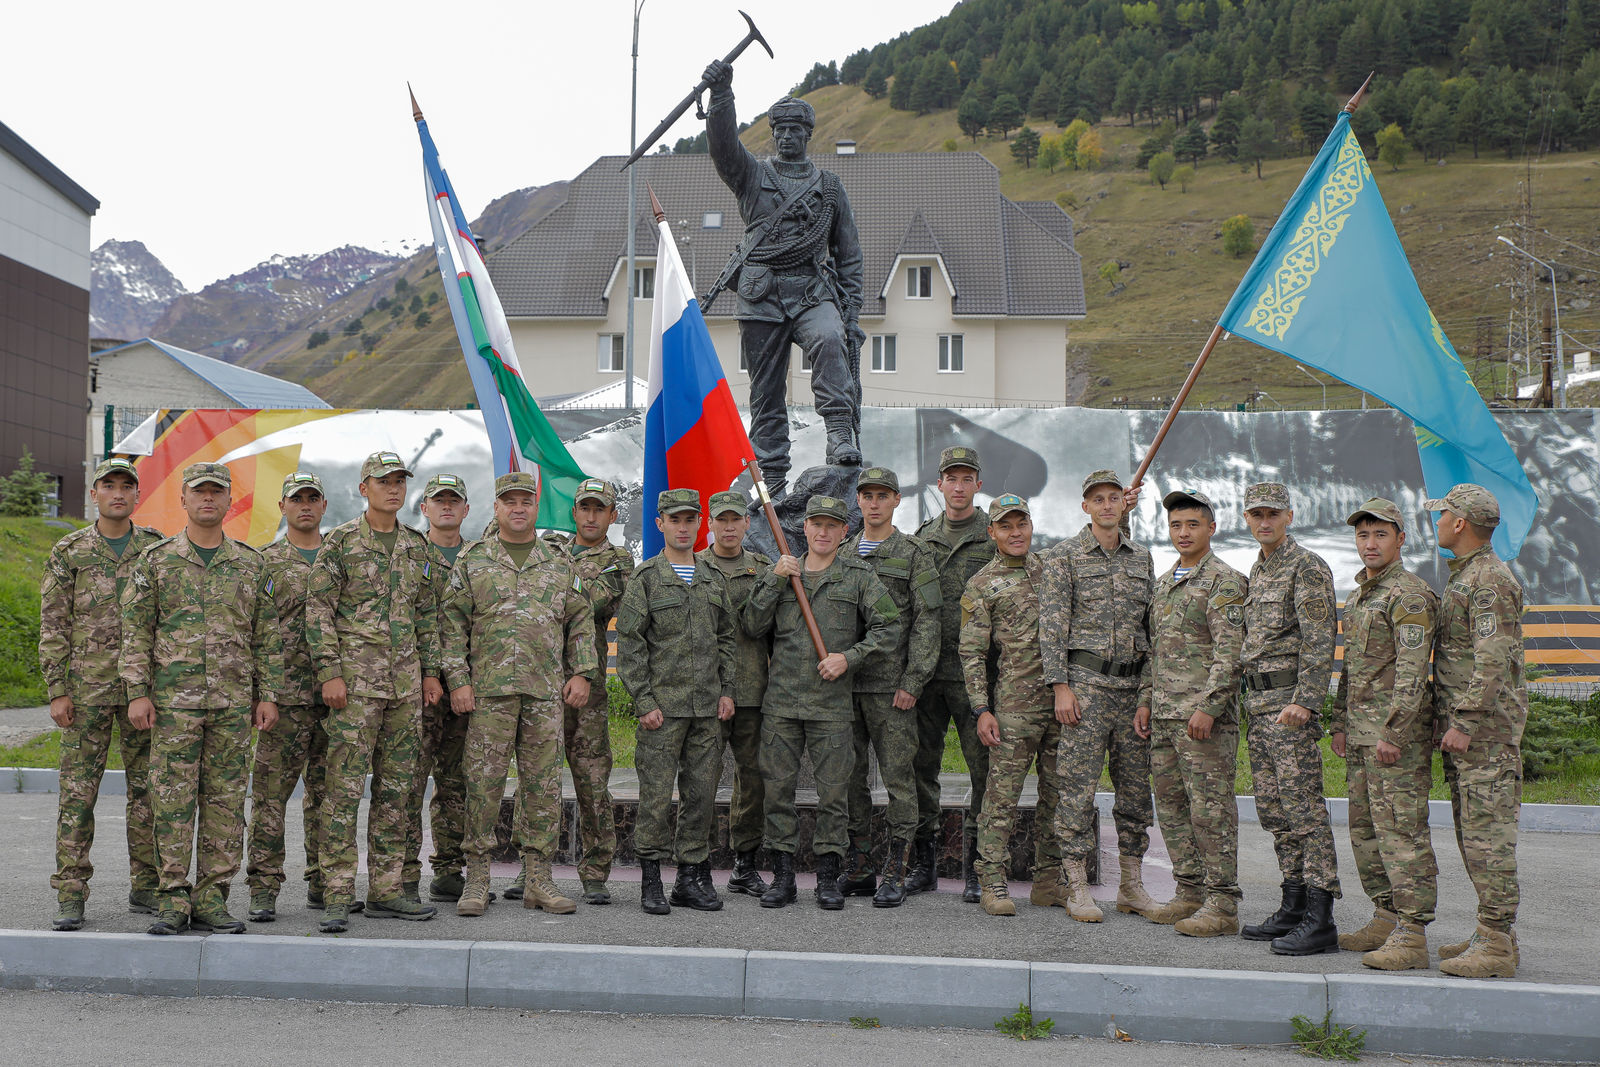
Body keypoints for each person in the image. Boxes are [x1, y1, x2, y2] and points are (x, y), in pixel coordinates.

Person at [120, 462, 283, 935]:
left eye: (216, 492)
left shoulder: (251, 563)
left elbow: (267, 638)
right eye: (199, 492)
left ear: (229, 500)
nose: (207, 499)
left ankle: (212, 897)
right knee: (171, 802)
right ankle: (172, 898)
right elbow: (137, 633)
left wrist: (266, 695)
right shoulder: (156, 561)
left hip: (232, 706)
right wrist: (137, 693)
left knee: (226, 803)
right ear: (183, 500)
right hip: (172, 706)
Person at [702, 57, 865, 493]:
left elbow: (848, 254)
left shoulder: (829, 188)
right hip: (762, 293)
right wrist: (721, 96)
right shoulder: (753, 176)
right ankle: (771, 474)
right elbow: (723, 148)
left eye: (796, 130)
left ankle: (839, 434)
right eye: (780, 130)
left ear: (809, 135)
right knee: (765, 389)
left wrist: (851, 311)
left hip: (812, 291)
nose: (787, 136)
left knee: (830, 340)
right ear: (773, 134)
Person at [442, 472, 596, 917]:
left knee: (543, 787)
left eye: (525, 501)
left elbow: (581, 620)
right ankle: (477, 880)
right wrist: (458, 680)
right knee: (483, 785)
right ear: (496, 507)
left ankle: (539, 880)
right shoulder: (474, 560)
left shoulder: (559, 562)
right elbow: (450, 624)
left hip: (545, 693)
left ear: (536, 506)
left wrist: (582, 672)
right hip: (488, 694)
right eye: (509, 501)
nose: (518, 508)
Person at [305, 451, 443, 932]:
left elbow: (426, 614)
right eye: (384, 481)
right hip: (356, 688)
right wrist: (329, 673)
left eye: (400, 481)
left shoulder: (416, 547)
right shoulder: (341, 543)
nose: (394, 489)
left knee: (397, 792)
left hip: (404, 688)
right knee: (341, 790)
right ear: (363, 488)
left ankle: (385, 890)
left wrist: (429, 673)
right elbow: (318, 612)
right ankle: (338, 892)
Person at [744, 495, 900, 909]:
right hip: (781, 705)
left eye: (833, 525)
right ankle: (782, 876)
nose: (824, 532)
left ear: (843, 531)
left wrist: (848, 658)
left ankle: (828, 876)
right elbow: (751, 625)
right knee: (777, 792)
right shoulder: (783, 571)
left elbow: (889, 625)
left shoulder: (857, 576)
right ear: (805, 528)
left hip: (831, 706)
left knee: (834, 796)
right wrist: (775, 580)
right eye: (817, 524)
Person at [40, 457, 164, 932]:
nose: (117, 493)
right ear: (93, 494)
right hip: (86, 691)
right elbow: (54, 624)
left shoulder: (154, 549)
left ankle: (147, 884)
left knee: (148, 792)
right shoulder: (70, 550)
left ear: (138, 494)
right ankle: (71, 891)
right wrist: (57, 689)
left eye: (126, 486)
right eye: (107, 485)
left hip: (142, 694)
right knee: (77, 795)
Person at [1038, 470, 1159, 923]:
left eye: (1114, 498)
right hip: (1084, 690)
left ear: (1124, 505)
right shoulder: (1063, 557)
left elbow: (1150, 632)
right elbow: (1052, 627)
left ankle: (1132, 886)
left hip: (1130, 693)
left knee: (1133, 793)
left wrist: (1146, 693)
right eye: (1098, 499)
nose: (1107, 505)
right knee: (1076, 791)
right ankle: (1076, 887)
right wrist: (1060, 686)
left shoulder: (1141, 559)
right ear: (1084, 506)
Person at [617, 489, 738, 915]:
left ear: (699, 523)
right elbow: (631, 645)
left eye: (690, 519)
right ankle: (651, 878)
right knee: (654, 796)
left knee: (701, 795)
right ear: (660, 524)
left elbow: (726, 638)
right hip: (662, 712)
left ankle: (691, 876)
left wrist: (727, 690)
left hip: (707, 709)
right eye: (675, 519)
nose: (683, 527)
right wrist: (643, 699)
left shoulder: (712, 578)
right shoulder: (646, 578)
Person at [1331, 498, 1440, 971]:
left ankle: (1413, 933)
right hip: (1360, 735)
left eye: (1380, 535)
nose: (1370, 543)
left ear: (1400, 539)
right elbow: (1353, 671)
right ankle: (1385, 914)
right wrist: (1338, 722)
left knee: (1401, 832)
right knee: (1365, 831)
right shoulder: (1360, 596)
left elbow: (1414, 671)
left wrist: (1394, 731)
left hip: (1394, 739)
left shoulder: (1409, 596)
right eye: (1363, 535)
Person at [513, 478, 631, 905]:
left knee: (591, 778)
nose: (591, 516)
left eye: (600, 509)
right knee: (536, 777)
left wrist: (550, 587)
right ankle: (531, 869)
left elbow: (594, 602)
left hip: (587, 687)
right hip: (540, 679)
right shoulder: (550, 548)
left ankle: (596, 869)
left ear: (613, 515)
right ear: (574, 512)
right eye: (585, 508)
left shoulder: (618, 559)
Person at [1425, 484, 1527, 979]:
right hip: (1471, 731)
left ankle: (1496, 943)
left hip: (1485, 734)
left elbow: (1492, 658)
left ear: (1460, 522)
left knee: (1489, 838)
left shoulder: (1488, 580)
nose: (1437, 522)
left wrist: (1464, 721)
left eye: (1442, 514)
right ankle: (1493, 934)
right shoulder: (1469, 576)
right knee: (1473, 834)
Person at [1236, 482, 1342, 955]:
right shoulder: (1259, 569)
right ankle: (1293, 904)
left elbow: (1320, 640)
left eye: (1273, 514)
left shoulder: (1307, 567)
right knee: (1275, 812)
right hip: (1259, 709)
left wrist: (1307, 701)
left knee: (1304, 812)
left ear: (1290, 516)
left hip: (1288, 709)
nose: (1264, 522)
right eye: (1256, 514)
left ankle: (1321, 917)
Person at [1140, 489, 1248, 937]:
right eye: (1176, 526)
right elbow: (1155, 651)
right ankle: (1189, 891)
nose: (1183, 533)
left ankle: (1222, 904)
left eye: (1192, 525)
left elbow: (1231, 653)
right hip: (1165, 714)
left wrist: (1210, 707)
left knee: (1210, 809)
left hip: (1202, 720)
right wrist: (1146, 699)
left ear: (1212, 528)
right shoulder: (1165, 581)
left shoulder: (1225, 581)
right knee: (1171, 806)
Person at [840, 466, 941, 907]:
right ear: (858, 501)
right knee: (851, 781)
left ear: (897, 500)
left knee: (901, 781)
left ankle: (896, 870)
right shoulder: (841, 553)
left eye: (883, 495)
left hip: (892, 689)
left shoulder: (915, 553)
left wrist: (914, 680)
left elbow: (927, 620)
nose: (875, 503)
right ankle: (862, 864)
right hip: (845, 688)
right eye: (867, 495)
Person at [961, 495, 1060, 917]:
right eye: (1006, 526)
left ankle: (1049, 880)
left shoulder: (1054, 571)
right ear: (992, 533)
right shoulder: (982, 584)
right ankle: (993, 882)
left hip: (1061, 703)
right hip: (1014, 707)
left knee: (1058, 795)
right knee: (1001, 798)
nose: (1015, 532)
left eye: (1021, 524)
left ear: (1031, 526)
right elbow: (971, 653)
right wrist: (982, 709)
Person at [246, 472, 336, 922]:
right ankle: (263, 887)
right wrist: (263, 693)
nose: (304, 505)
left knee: (329, 796)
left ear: (324, 506)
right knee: (270, 798)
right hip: (283, 700)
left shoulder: (342, 558)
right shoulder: (264, 563)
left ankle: (323, 882)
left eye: (312, 498)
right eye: (295, 499)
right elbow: (254, 633)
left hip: (335, 699)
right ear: (282, 507)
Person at [910, 446, 993, 901]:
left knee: (984, 770)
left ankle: (979, 867)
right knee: (921, 767)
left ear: (978, 485)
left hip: (975, 676)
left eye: (967, 479)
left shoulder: (996, 536)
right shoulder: (922, 539)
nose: (958, 487)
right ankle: (924, 864)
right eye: (951, 479)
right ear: (939, 485)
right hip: (927, 674)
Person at [696, 490, 772, 897]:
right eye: (721, 519)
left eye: (736, 519)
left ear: (746, 524)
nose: (728, 527)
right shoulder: (694, 567)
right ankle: (700, 862)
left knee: (753, 780)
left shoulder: (763, 570)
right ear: (710, 523)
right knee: (701, 780)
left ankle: (745, 862)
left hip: (752, 690)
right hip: (704, 692)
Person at [406, 473, 472, 905]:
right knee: (408, 781)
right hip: (416, 688)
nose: (446, 506)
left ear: (466, 509)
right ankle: (403, 872)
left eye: (454, 500)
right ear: (424, 508)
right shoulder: (409, 554)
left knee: (457, 782)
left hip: (468, 688)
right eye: (438, 500)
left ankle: (449, 870)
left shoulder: (482, 556)